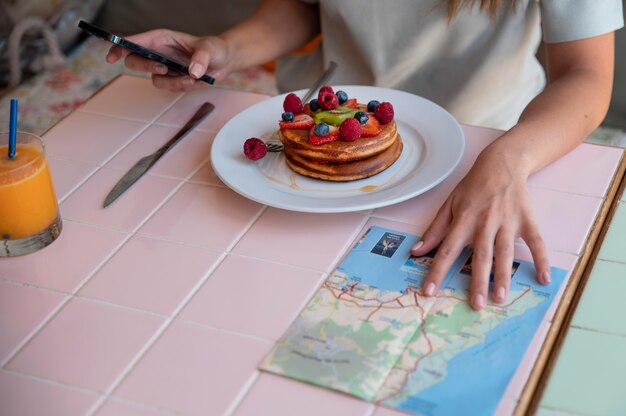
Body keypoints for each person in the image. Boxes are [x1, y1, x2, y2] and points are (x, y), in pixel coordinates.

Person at [106, 0, 623, 310]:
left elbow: (586, 73)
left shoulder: (498, 156)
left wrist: (509, 157)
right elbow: (304, 6)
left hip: (485, 156)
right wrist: (225, 49)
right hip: (307, 162)